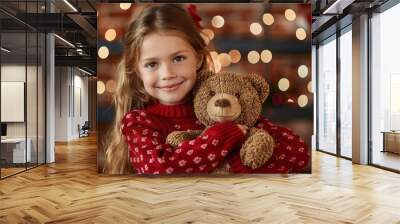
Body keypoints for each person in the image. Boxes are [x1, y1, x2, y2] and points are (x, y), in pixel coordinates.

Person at [103, 4, 248, 174]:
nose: (167, 74)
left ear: (199, 58)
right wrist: (223, 137)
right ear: (137, 71)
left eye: (178, 58)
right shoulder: (139, 123)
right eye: (152, 64)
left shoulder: (223, 107)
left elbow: (277, 146)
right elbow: (162, 169)